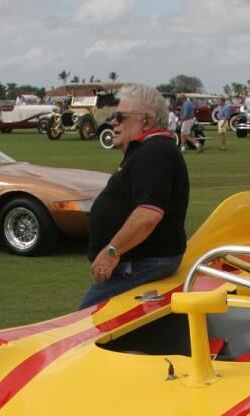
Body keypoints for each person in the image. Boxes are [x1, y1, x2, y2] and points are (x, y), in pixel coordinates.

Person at [80, 84, 188, 309]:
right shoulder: (148, 151)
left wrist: (111, 252)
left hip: (141, 263)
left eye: (121, 117)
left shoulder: (155, 153)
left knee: (84, 325)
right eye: (113, 116)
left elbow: (148, 213)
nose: (113, 122)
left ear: (146, 122)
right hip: (139, 262)